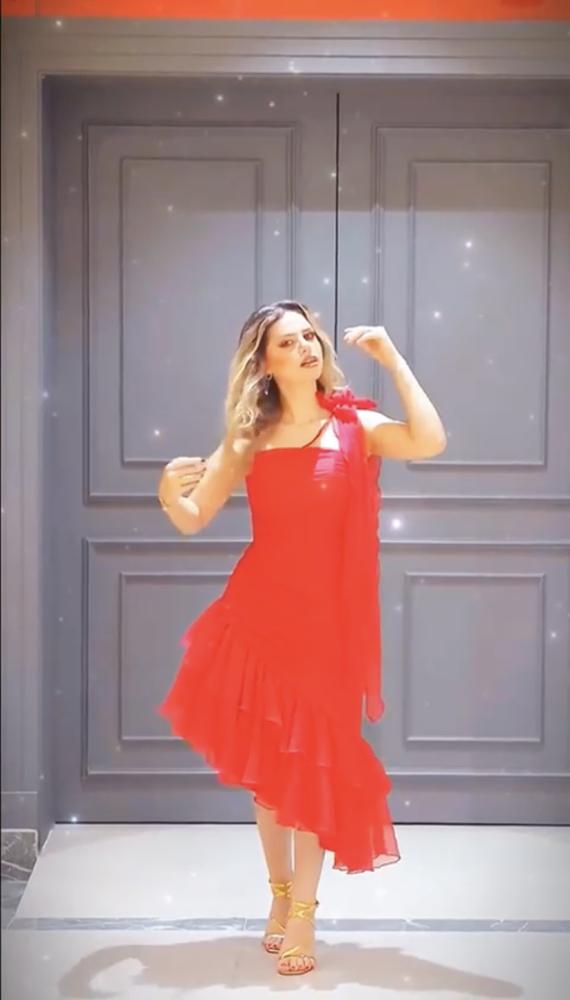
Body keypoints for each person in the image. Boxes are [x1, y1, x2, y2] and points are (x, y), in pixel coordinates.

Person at [156, 300, 447, 976]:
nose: (306, 348)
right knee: (270, 775)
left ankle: (306, 917)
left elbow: (429, 440)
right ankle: (280, 894)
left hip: (329, 629)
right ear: (264, 362)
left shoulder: (354, 425)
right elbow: (194, 517)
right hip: (259, 620)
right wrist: (168, 492)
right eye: (288, 343)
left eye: (309, 336)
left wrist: (392, 359)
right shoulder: (249, 437)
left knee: (316, 769)